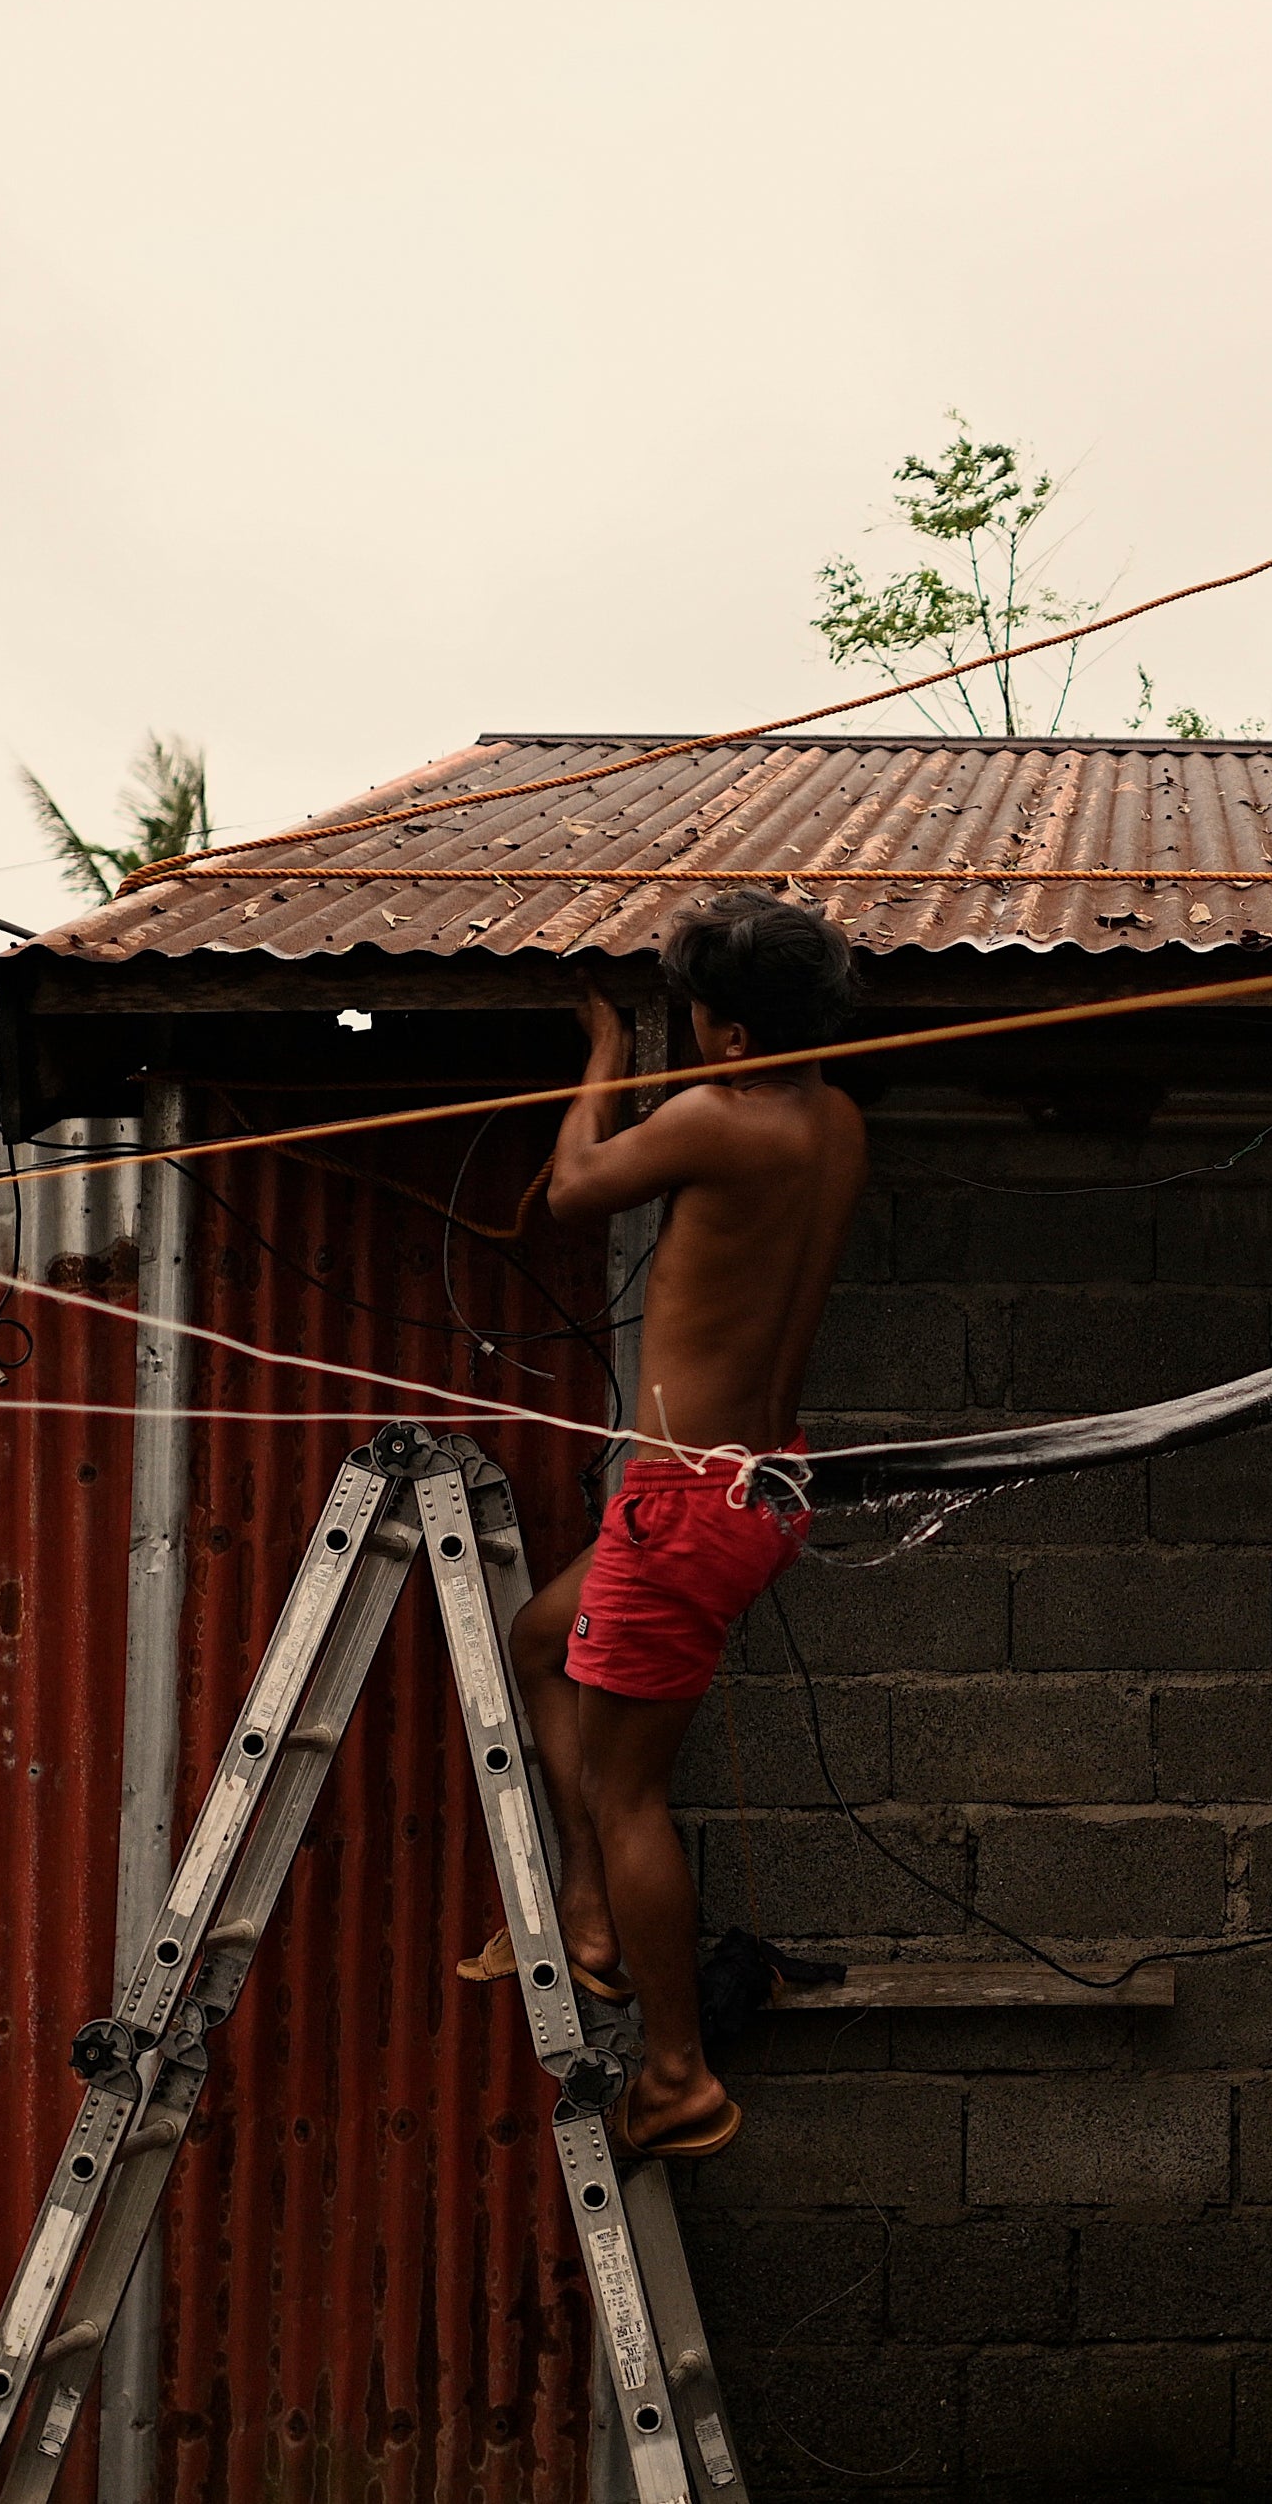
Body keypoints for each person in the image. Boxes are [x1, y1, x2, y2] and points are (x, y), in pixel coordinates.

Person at [460, 891, 870, 2160]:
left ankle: (679, 2076)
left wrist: (601, 1063)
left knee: (629, 1792)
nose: (687, 1038)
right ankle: (584, 1913)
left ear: (735, 1037)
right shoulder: (837, 1117)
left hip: (684, 1502)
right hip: (752, 1489)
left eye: (698, 1020)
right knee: (539, 1642)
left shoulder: (719, 1114)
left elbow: (577, 1186)